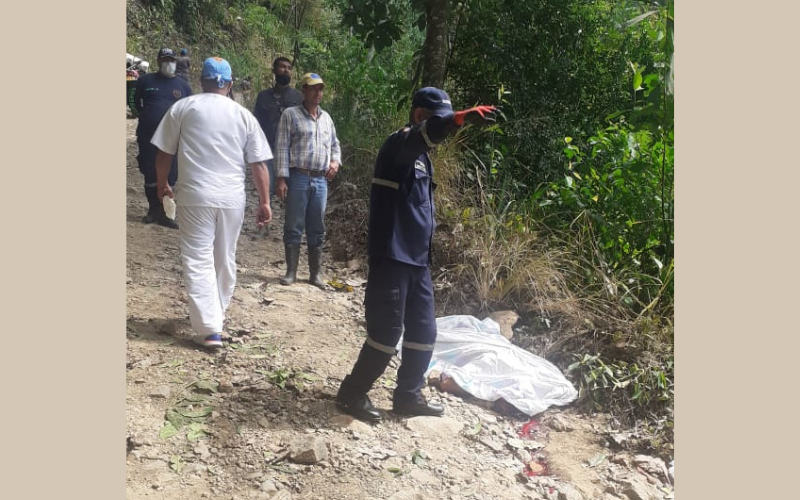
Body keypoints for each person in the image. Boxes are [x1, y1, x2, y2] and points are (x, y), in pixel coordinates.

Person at [335, 88, 497, 422]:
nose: (448, 128)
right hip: (392, 257)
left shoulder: (423, 158)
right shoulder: (400, 144)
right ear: (421, 117)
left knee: (424, 333)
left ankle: (408, 396)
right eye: (440, 120)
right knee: (385, 334)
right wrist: (458, 119)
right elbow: (423, 137)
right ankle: (352, 393)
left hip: (417, 261)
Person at [150, 57, 273, 348]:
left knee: (198, 257)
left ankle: (209, 328)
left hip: (195, 196)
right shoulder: (243, 115)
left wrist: (162, 183)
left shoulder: (183, 107)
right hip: (232, 199)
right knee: (225, 256)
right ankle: (216, 313)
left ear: (201, 81)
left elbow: (164, 153)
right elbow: (258, 164)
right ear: (229, 84)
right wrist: (265, 201)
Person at [273, 72, 341, 288]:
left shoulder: (326, 118)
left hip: (320, 180)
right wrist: (281, 178)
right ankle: (291, 271)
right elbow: (282, 147)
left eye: (320, 89)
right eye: (313, 88)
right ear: (303, 90)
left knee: (317, 227)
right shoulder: (291, 115)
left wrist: (335, 162)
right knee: (293, 225)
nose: (317, 93)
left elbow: (335, 145)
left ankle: (315, 274)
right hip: (299, 177)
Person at [133, 48, 193, 229]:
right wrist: (144, 115)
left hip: (174, 138)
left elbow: (190, 109)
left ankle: (166, 212)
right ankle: (153, 209)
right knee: (149, 170)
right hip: (148, 135)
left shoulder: (183, 86)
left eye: (171, 60)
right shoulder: (145, 81)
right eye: (165, 59)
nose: (168, 63)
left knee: (171, 173)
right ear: (158, 61)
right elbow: (134, 101)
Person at [253, 57, 303, 199]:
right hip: (267, 150)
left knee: (292, 195)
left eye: (289, 68)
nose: (286, 70)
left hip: (291, 153)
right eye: (282, 67)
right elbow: (256, 123)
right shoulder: (263, 96)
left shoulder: (298, 97)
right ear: (274, 70)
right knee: (265, 193)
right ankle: (265, 217)